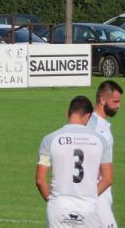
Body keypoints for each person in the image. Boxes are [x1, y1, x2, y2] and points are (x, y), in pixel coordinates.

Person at [36, 95, 113, 228]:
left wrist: (52, 200)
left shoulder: (49, 139)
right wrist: (90, 195)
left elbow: (40, 180)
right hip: (88, 208)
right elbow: (107, 178)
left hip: (58, 208)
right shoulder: (101, 141)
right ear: (88, 116)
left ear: (68, 113)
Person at [87, 80, 122, 228]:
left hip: (99, 193)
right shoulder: (95, 127)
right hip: (97, 194)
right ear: (102, 100)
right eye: (115, 101)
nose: (118, 106)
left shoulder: (96, 123)